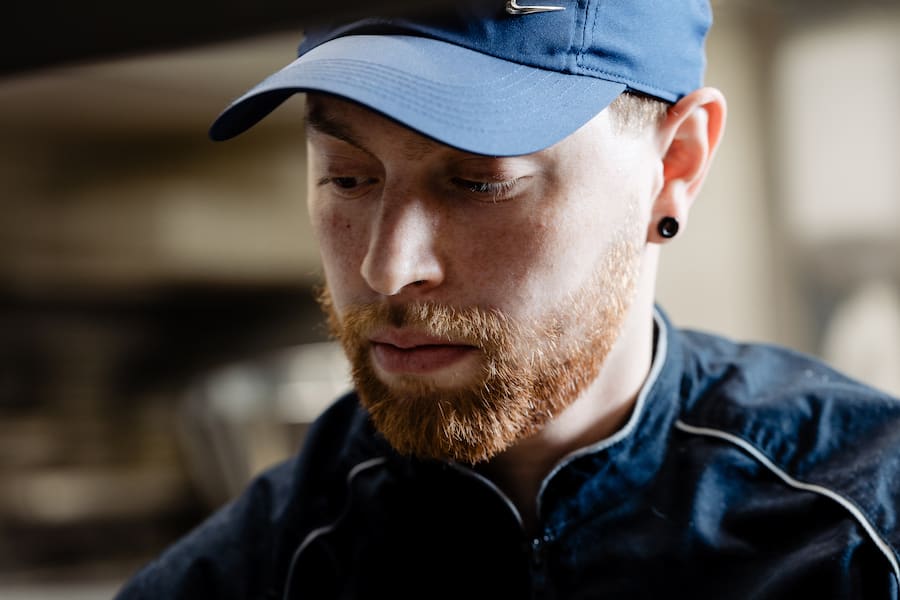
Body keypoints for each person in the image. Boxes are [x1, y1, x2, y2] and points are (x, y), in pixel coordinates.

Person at [115, 1, 900, 597]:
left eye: (479, 182)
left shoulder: (861, 534)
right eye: (348, 178)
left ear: (675, 168)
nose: (388, 267)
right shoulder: (260, 568)